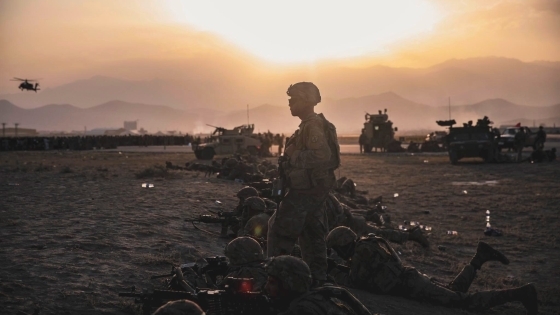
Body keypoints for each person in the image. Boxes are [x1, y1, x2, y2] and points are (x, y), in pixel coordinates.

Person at [325, 227, 538, 315]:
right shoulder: (365, 244)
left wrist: (334, 270)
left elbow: (355, 281)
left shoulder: (361, 252)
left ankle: (521, 293)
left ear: (343, 244)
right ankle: (478, 258)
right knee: (454, 292)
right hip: (411, 280)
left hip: (410, 284)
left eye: (337, 249)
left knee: (464, 301)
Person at [268, 82, 341, 284]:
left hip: (304, 193)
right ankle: (316, 283)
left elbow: (323, 156)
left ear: (306, 101)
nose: (290, 103)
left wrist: (294, 156)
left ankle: (274, 281)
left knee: (278, 231)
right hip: (313, 193)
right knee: (313, 239)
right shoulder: (309, 125)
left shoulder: (312, 125)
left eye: (294, 100)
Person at [264, 255, 372, 315]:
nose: (266, 287)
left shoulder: (302, 309)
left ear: (289, 284)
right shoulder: (316, 296)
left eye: (272, 283)